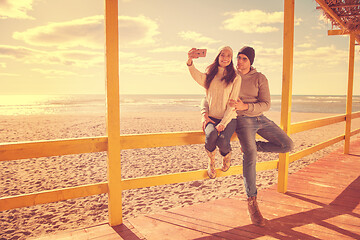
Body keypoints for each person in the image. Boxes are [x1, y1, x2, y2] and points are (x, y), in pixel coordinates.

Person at [201, 46, 294, 226]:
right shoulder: (229, 75)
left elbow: (266, 104)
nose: (239, 61)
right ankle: (252, 203)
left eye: (244, 58)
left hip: (260, 117)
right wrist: (205, 114)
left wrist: (246, 107)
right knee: (250, 157)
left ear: (251, 61)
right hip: (242, 121)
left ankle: (255, 146)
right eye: (239, 58)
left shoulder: (260, 78)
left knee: (287, 145)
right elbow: (208, 95)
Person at [187, 46, 242, 179]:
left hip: (229, 118)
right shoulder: (210, 75)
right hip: (212, 117)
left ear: (231, 59)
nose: (226, 58)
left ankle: (227, 156)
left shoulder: (235, 77)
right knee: (211, 136)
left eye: (229, 55)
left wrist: (223, 122)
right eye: (223, 54)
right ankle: (211, 162)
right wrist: (189, 60)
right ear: (218, 56)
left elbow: (233, 104)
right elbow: (196, 76)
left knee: (223, 142)